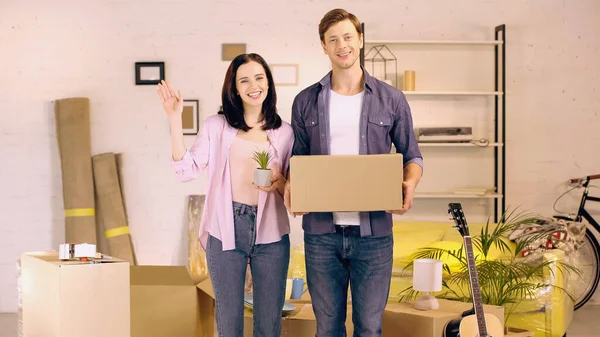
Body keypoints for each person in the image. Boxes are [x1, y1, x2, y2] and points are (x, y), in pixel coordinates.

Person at [283, 8, 424, 337]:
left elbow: (412, 155)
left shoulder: (391, 99)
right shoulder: (305, 101)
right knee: (327, 329)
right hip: (321, 235)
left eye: (347, 37)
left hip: (373, 237)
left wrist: (409, 183)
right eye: (333, 40)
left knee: (370, 329)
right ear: (324, 46)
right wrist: (292, 186)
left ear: (359, 40)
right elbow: (298, 159)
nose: (341, 45)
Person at [158, 53, 294, 337]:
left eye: (259, 77)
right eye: (244, 80)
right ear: (234, 88)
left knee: (269, 327)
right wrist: (174, 119)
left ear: (268, 82)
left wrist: (281, 183)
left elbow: (295, 191)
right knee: (229, 326)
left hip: (272, 233)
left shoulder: (285, 132)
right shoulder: (216, 126)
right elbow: (185, 171)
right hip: (226, 228)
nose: (253, 85)